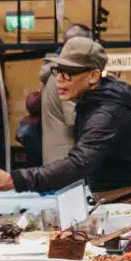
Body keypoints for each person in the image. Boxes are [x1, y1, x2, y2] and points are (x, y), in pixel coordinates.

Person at [0, 38, 131, 239]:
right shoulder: (91, 103)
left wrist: (15, 179)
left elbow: (79, 163)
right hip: (120, 206)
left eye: (69, 73)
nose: (60, 79)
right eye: (58, 71)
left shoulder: (104, 114)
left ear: (93, 76)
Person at [40, 23, 93, 164]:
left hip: (57, 159)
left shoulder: (54, 71)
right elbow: (73, 118)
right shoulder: (65, 74)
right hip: (67, 161)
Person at [17, 90, 44, 168]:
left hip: (29, 159)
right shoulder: (41, 122)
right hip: (40, 160)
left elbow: (19, 137)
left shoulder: (25, 121)